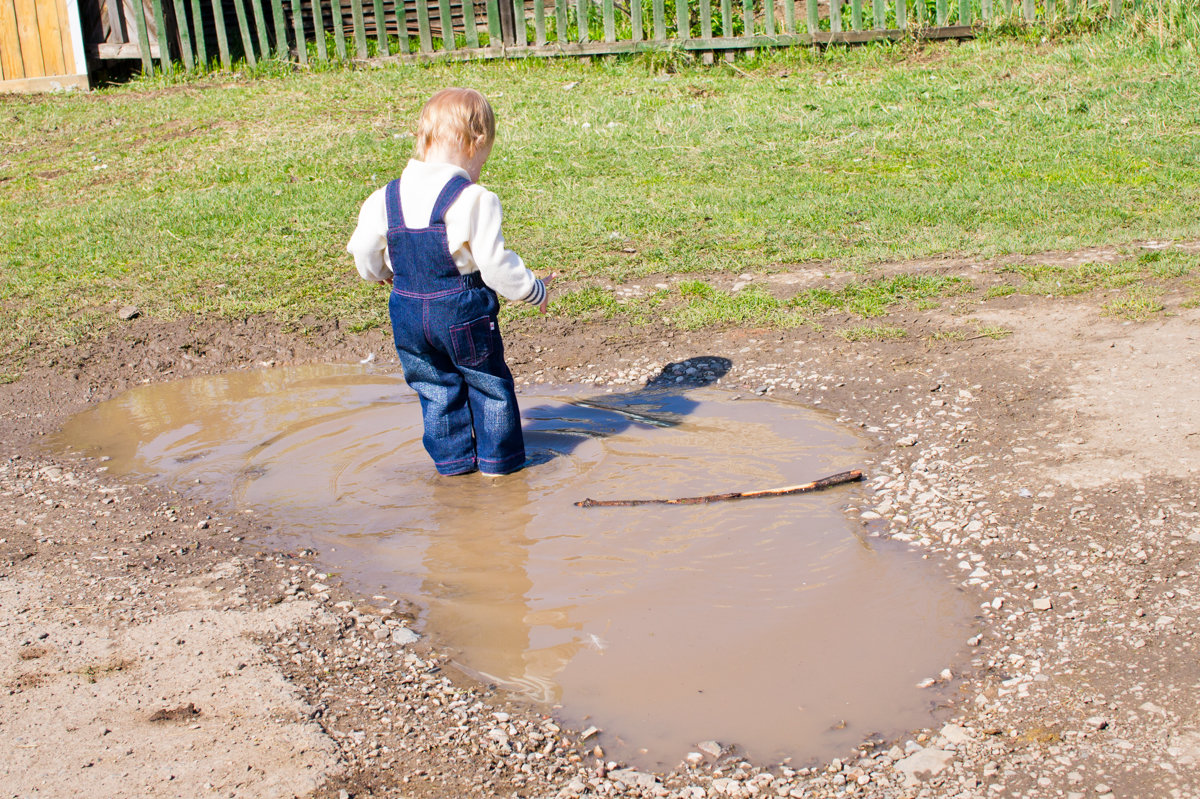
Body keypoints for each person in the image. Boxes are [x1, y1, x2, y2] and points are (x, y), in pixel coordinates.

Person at [347, 87, 553, 477]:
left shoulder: (383, 198)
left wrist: (382, 274)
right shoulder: (475, 199)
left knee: (435, 390)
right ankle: (498, 469)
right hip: (461, 310)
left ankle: (453, 467)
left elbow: (363, 254)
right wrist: (532, 288)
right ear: (477, 144)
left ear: (424, 139)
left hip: (407, 311)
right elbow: (494, 266)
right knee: (489, 385)